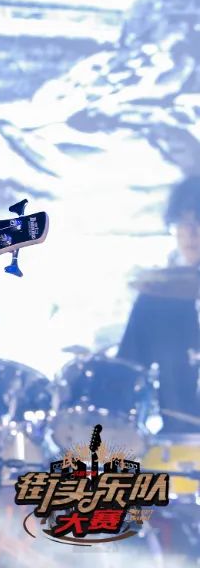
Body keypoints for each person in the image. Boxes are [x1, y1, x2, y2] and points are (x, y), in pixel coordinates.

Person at [117, 174, 200, 433]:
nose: (191, 233)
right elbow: (125, 375)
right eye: (183, 223)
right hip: (178, 443)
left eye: (199, 221)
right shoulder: (155, 297)